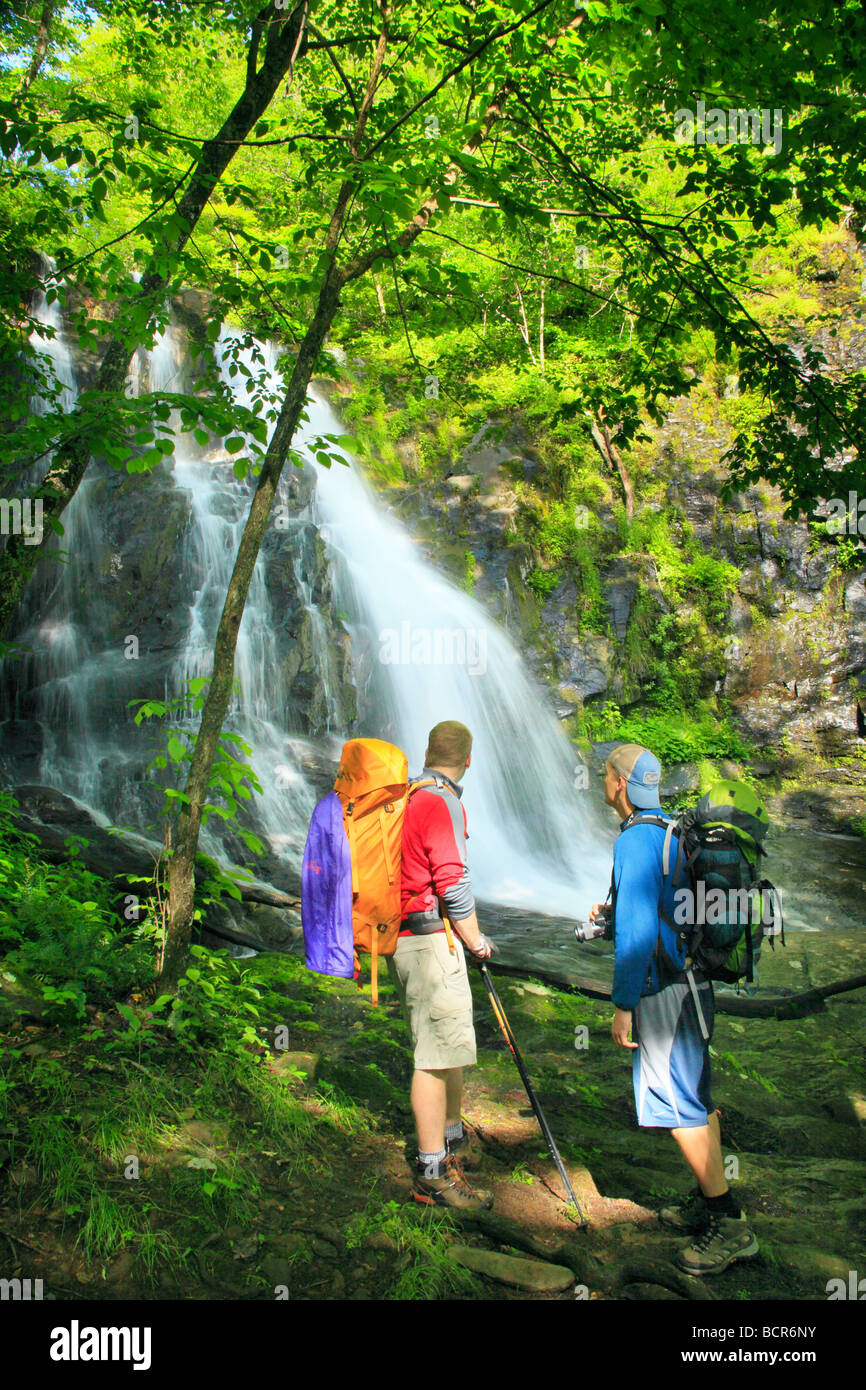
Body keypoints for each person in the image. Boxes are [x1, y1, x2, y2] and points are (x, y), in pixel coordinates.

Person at [591, 743, 759, 1276]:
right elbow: (653, 908)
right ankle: (706, 1196)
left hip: (663, 990)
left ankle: (728, 1225)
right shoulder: (671, 831)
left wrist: (623, 1005)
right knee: (698, 1095)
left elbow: (638, 937)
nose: (602, 782)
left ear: (619, 783)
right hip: (694, 983)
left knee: (677, 1100)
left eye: (605, 774)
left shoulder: (636, 841)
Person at [387, 719, 496, 1211]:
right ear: (468, 760)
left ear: (428, 751)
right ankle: (432, 1170)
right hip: (430, 941)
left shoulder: (410, 794)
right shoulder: (441, 801)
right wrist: (476, 940)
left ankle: (451, 1140)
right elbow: (452, 881)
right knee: (432, 1058)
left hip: (413, 935)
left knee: (446, 1045)